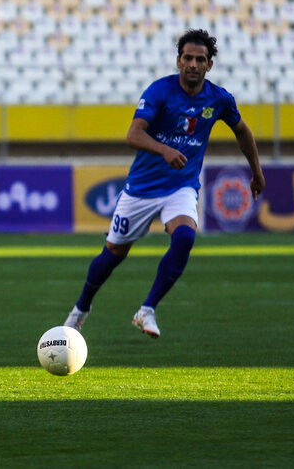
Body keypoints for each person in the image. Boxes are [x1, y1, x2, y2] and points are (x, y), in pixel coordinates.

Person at [63, 29, 264, 337]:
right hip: (141, 189)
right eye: (188, 58)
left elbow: (243, 132)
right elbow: (133, 134)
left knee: (184, 237)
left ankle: (147, 310)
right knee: (113, 254)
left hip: (181, 186)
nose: (193, 64)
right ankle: (81, 309)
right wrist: (165, 150)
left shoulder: (219, 99)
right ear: (178, 60)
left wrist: (256, 172)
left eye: (200, 59)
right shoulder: (159, 91)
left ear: (209, 65)